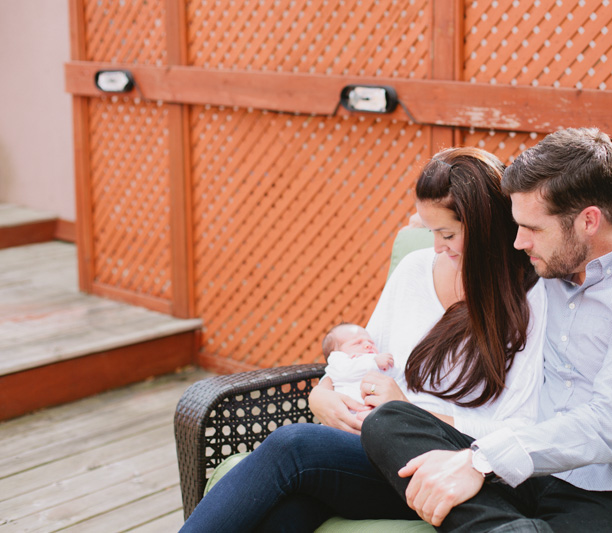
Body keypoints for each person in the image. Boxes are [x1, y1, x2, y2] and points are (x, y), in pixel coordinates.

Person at [361, 128, 612, 533]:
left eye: (532, 228)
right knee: (390, 423)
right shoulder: (554, 264)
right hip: (540, 477)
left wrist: (482, 460)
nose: (517, 242)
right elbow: (470, 222)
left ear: (588, 221)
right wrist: (434, 229)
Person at [179, 146, 547, 533]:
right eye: (430, 232)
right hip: (375, 445)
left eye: (448, 233)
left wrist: (406, 410)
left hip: (452, 463)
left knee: (294, 446)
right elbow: (360, 353)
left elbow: (519, 430)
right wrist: (321, 393)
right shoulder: (414, 271)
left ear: (485, 227)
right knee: (289, 512)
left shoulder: (531, 303)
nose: (436, 246)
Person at [322, 322, 395, 405]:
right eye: (358, 343)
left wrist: (389, 365)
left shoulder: (374, 362)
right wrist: (373, 361)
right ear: (336, 351)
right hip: (351, 409)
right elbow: (344, 371)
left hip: (376, 407)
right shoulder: (338, 360)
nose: (368, 345)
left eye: (371, 342)